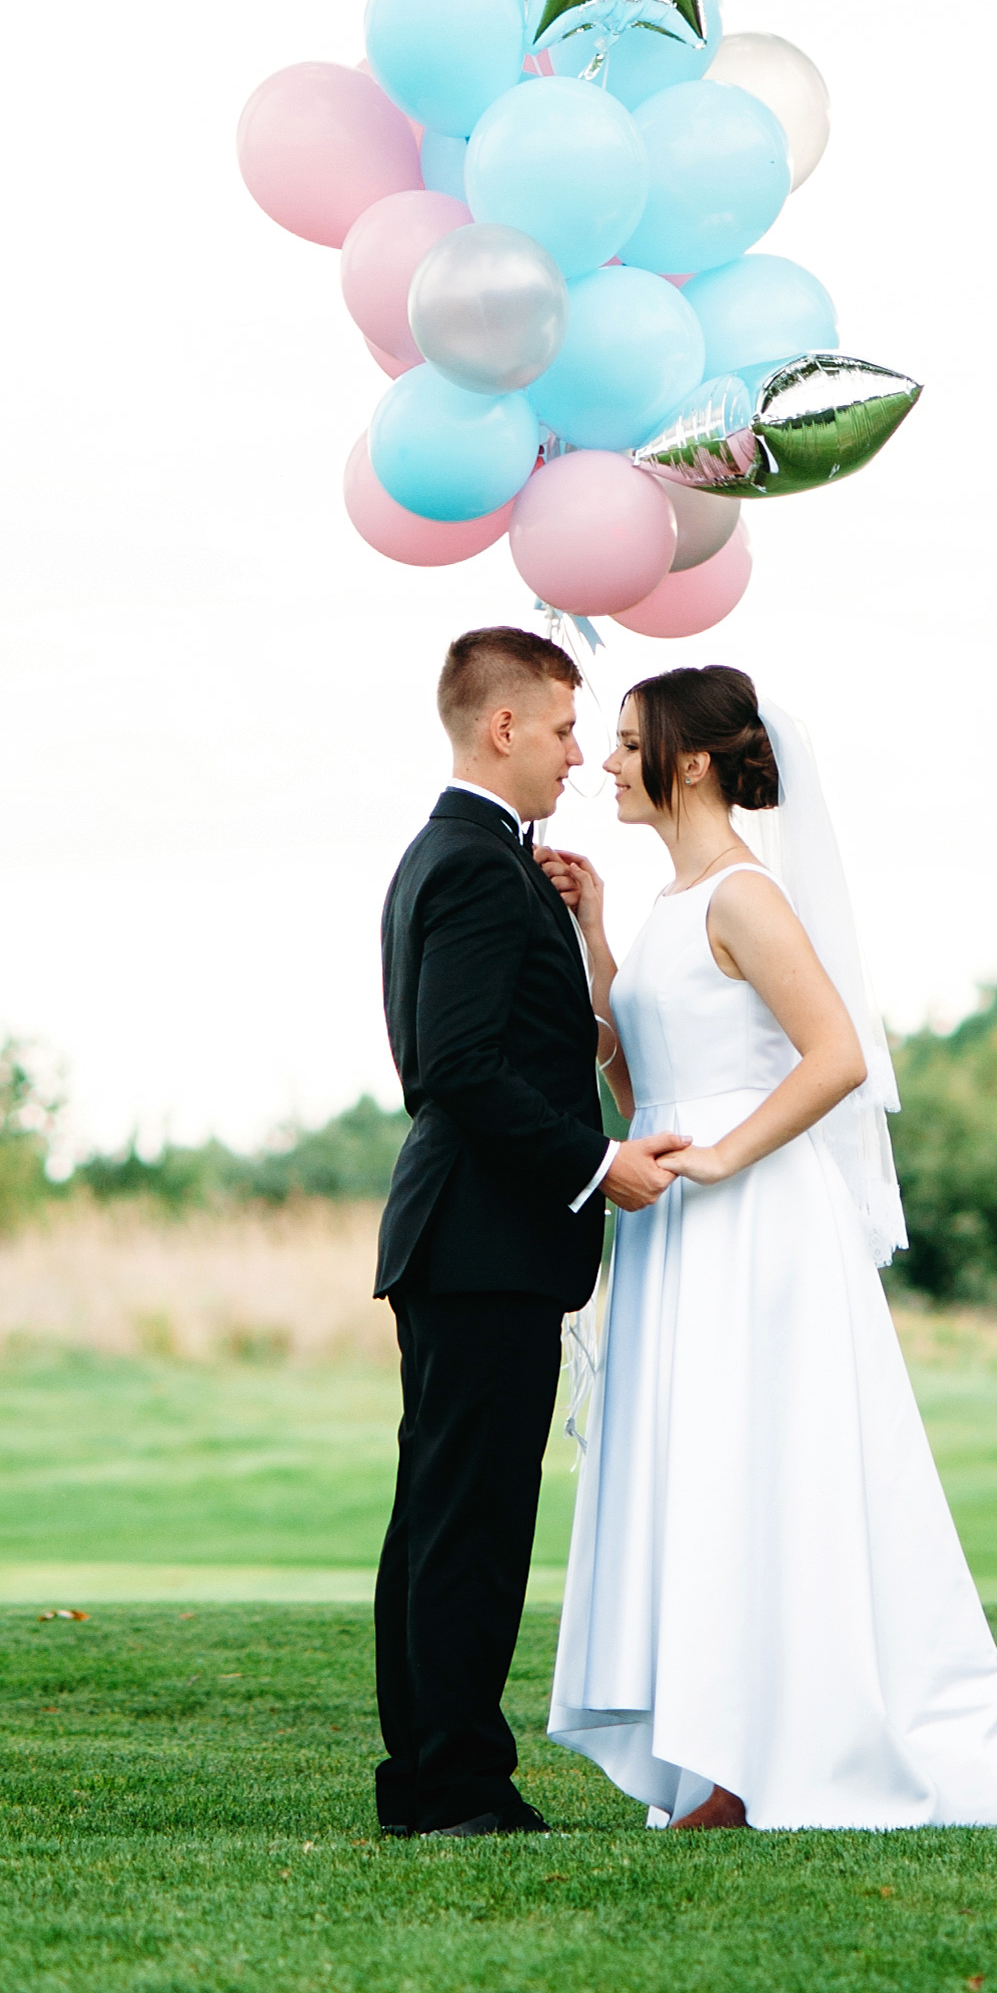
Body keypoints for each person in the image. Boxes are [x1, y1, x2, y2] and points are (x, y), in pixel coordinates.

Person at [538, 665, 997, 1835]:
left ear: (692, 759)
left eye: (628, 743)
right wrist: (593, 932)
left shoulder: (745, 895)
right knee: (702, 1471)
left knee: (756, 1470)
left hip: (756, 1229)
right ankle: (719, 1752)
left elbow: (838, 1056)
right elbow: (642, 1077)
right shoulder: (677, 901)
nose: (610, 763)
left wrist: (724, 1158)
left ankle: (752, 1766)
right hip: (680, 1235)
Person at [371, 623, 688, 1839]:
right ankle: (451, 1784)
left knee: (448, 1515)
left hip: (476, 1244)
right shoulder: (466, 861)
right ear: (502, 726)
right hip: (480, 1240)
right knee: (469, 1523)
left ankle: (434, 1776)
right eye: (563, 728)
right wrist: (596, 1160)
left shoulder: (481, 858)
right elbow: (452, 1066)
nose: (575, 754)